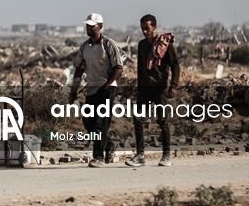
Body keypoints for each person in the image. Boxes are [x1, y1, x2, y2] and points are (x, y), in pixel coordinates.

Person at [68, 13, 123, 168]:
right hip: (92, 89)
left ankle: (98, 157)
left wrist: (108, 84)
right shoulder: (85, 47)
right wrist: (74, 91)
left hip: (107, 89)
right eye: (88, 25)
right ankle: (109, 145)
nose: (89, 28)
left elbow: (118, 67)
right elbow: (79, 69)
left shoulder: (108, 44)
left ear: (100, 27)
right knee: (89, 123)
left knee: (100, 123)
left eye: (92, 26)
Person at [125, 14, 180, 167]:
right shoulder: (141, 45)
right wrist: (139, 87)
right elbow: (140, 68)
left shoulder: (164, 44)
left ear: (154, 27)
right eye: (142, 29)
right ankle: (140, 155)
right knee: (138, 120)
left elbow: (175, 65)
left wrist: (173, 85)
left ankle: (166, 155)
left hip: (160, 88)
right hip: (144, 88)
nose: (144, 32)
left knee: (162, 121)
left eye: (147, 29)